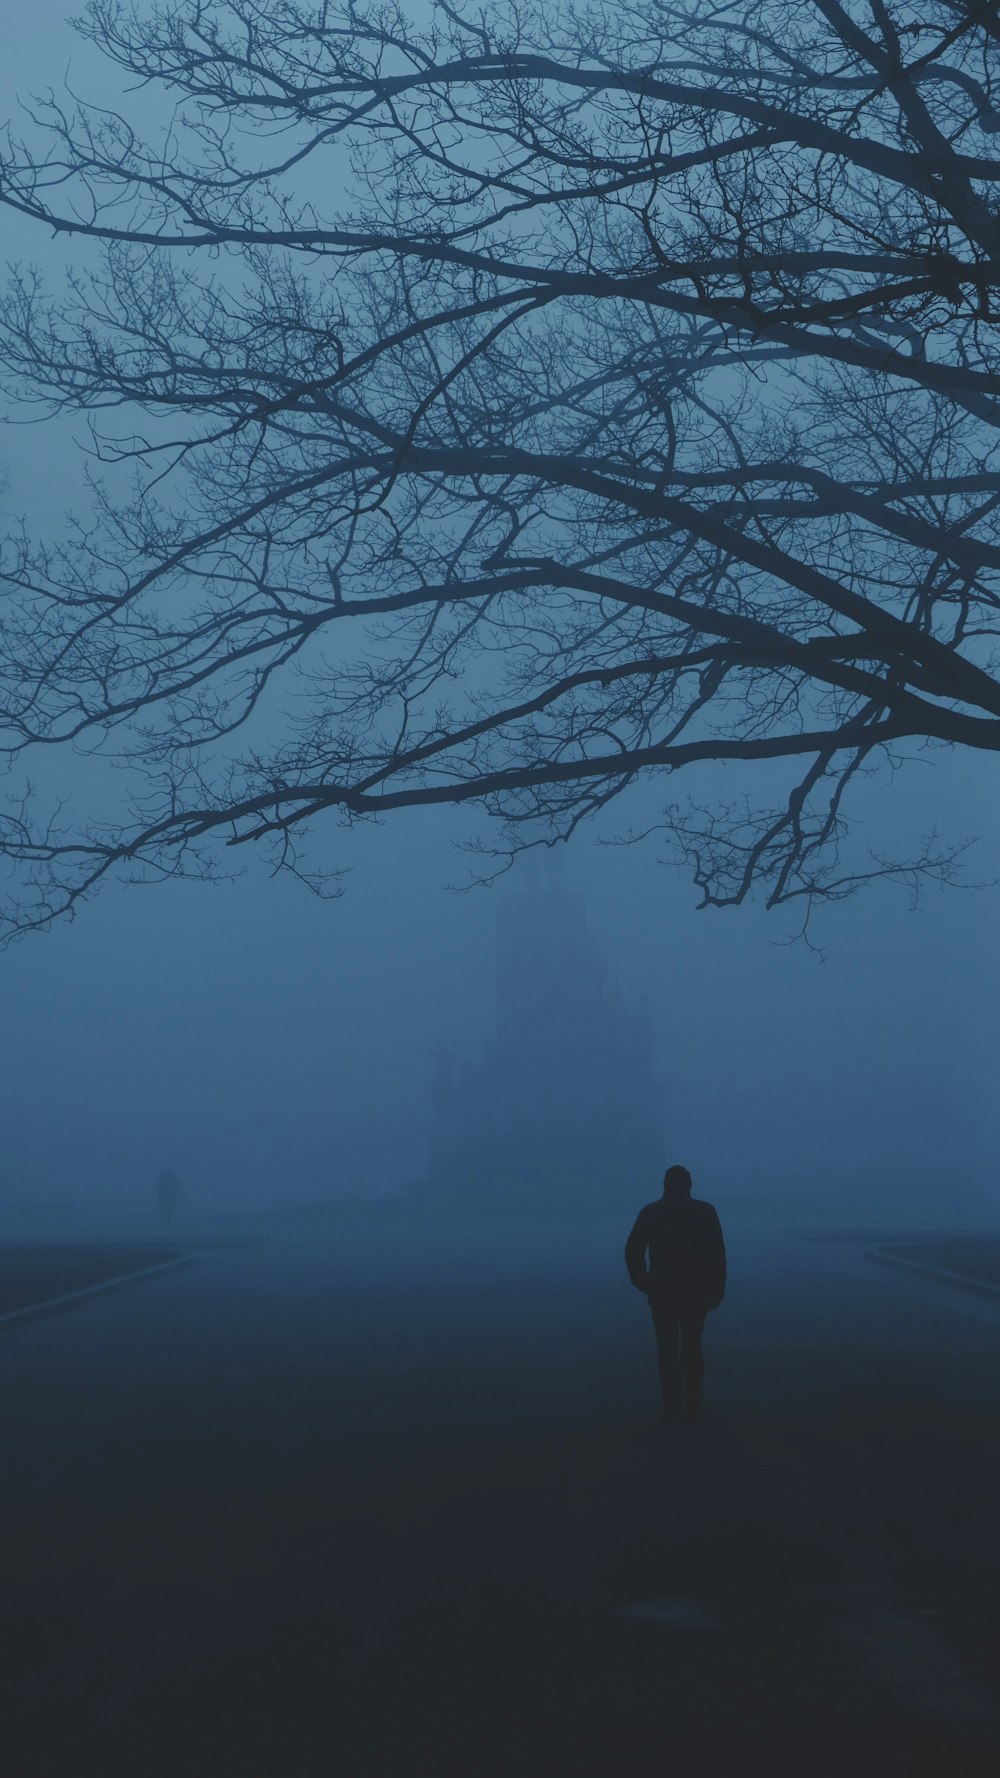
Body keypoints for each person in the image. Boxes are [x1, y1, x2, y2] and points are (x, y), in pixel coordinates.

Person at [624, 1165, 726, 1423]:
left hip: (663, 1291)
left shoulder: (652, 1213)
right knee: (692, 1345)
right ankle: (693, 1399)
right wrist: (717, 1289)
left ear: (665, 1185)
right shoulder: (705, 1212)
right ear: (689, 1185)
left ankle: (672, 1403)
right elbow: (717, 1255)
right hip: (695, 1290)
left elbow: (633, 1252)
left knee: (667, 1349)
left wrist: (645, 1283)